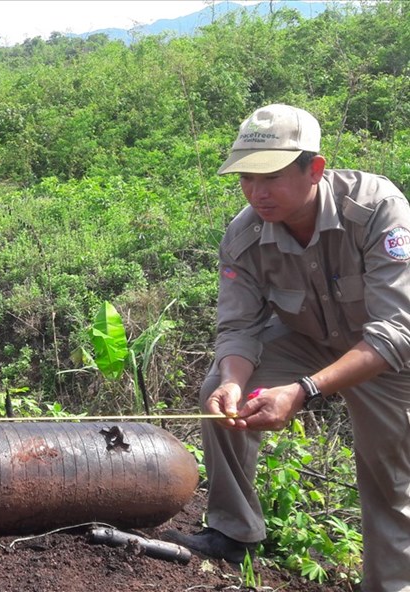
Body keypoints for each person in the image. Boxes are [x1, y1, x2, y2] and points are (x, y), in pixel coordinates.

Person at [164, 103, 410, 591]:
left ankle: (389, 584)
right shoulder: (245, 233)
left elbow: (396, 332)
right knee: (220, 389)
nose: (257, 192)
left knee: (390, 478)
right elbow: (239, 327)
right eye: (247, 179)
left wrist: (303, 391)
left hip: (386, 359)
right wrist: (235, 381)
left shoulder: (376, 209)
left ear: (314, 169)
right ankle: (233, 531)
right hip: (307, 341)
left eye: (271, 176)